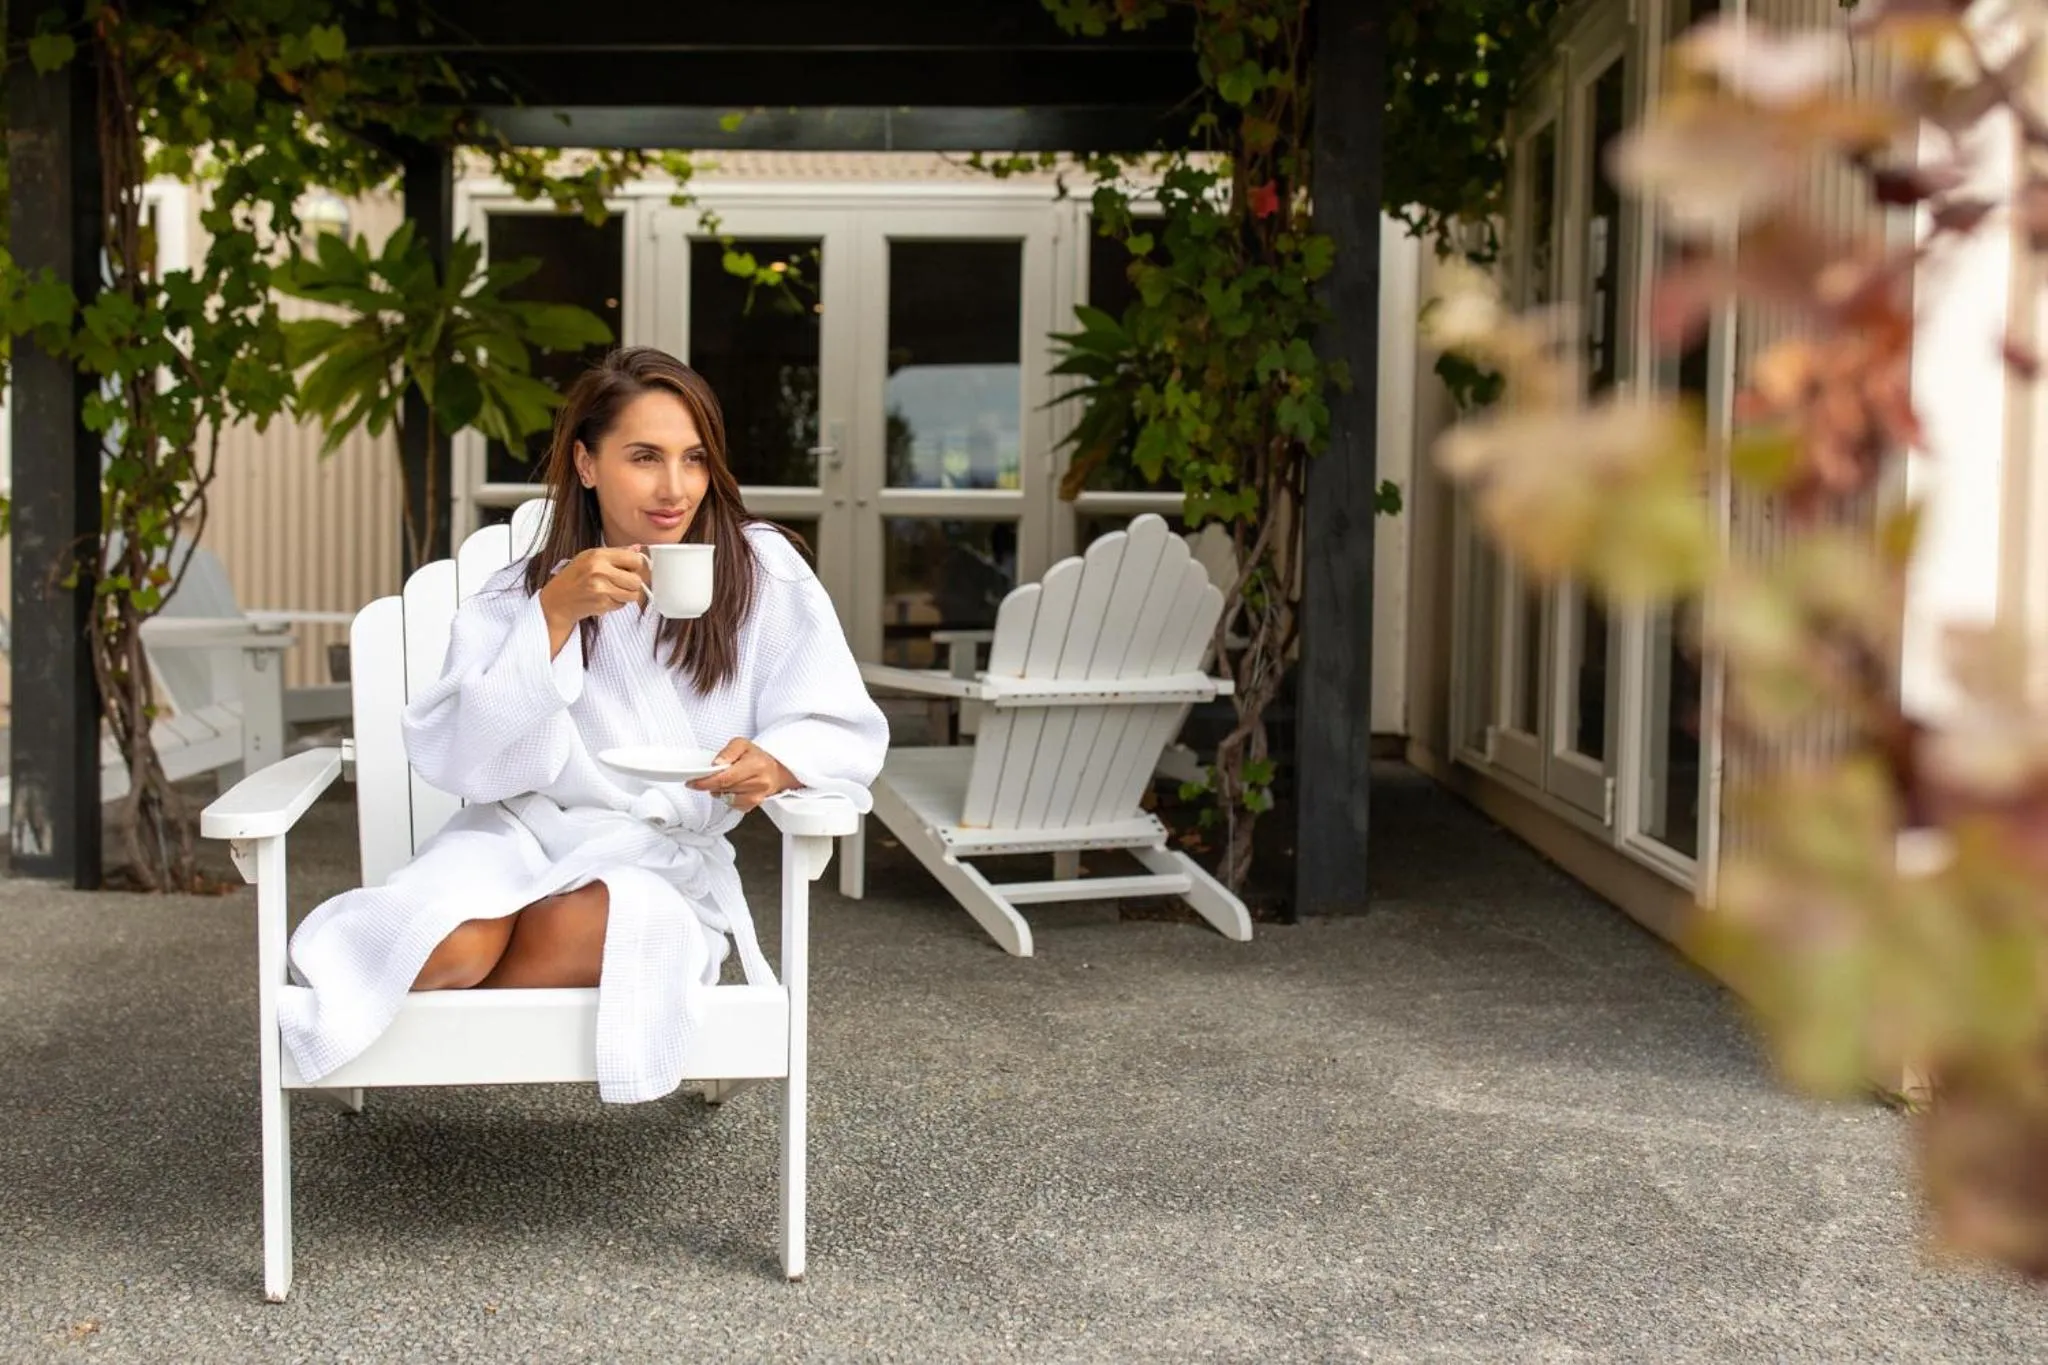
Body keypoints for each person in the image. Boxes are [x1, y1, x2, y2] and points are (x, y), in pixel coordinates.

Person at [278, 346, 889, 1103]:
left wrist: (780, 760)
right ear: (587, 463)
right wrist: (553, 618)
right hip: (516, 840)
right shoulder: (521, 594)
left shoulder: (762, 571)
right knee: (450, 938)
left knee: (586, 923)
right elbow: (462, 759)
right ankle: (392, 966)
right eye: (644, 457)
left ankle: (371, 1004)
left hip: (651, 863)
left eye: (695, 459)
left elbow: (839, 719)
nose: (675, 488)